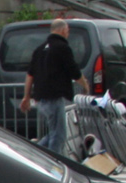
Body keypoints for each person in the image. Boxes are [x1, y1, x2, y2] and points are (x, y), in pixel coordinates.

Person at [19, 18, 82, 158]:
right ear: (63, 30)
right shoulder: (62, 48)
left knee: (54, 132)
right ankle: (52, 163)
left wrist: (26, 96)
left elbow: (30, 75)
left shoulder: (39, 49)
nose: (68, 33)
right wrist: (85, 84)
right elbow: (74, 71)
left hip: (40, 97)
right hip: (54, 96)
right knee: (59, 135)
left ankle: (34, 153)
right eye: (67, 31)